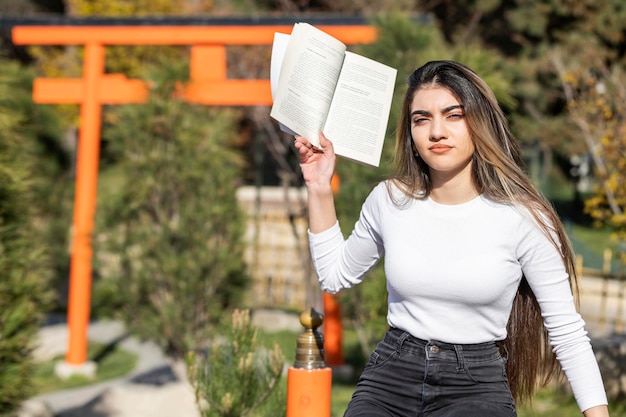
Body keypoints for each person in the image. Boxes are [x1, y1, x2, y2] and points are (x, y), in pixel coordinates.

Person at [293, 60, 609, 417]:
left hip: (475, 386)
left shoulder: (525, 217)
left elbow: (567, 331)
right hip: (391, 375)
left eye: (453, 115)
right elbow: (334, 276)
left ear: (478, 122)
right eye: (421, 119)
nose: (436, 132)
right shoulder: (390, 200)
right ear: (410, 132)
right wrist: (318, 186)